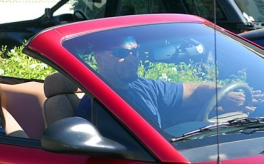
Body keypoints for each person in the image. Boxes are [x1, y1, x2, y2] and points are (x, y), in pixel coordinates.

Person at [74, 35, 253, 127]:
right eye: (120, 53)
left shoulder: (144, 86)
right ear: (99, 58)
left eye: (134, 52)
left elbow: (194, 91)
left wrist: (226, 96)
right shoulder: (94, 106)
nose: (131, 58)